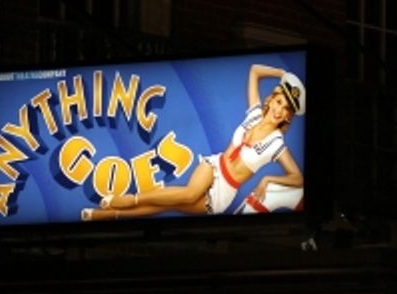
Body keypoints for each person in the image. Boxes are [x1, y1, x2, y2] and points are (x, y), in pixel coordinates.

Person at [82, 64, 305, 220]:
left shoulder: (277, 144)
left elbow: (298, 178)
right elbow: (254, 71)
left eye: (286, 109)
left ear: (288, 116)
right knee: (188, 193)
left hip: (224, 191)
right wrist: (282, 73)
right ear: (271, 99)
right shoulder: (254, 113)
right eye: (278, 102)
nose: (279, 110)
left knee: (167, 206)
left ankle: (107, 214)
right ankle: (129, 199)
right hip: (215, 166)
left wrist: (267, 179)